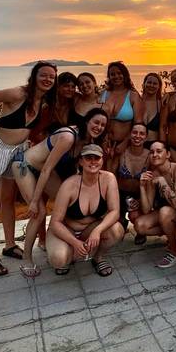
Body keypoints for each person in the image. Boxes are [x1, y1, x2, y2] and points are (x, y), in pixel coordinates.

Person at [0, 61, 57, 275]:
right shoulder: (18, 94)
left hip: (16, 154)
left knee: (8, 200)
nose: (47, 79)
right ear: (34, 76)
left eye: (51, 76)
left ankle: (9, 245)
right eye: (43, 75)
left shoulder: (43, 102)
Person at [11, 108, 109, 277]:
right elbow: (47, 169)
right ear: (87, 121)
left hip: (44, 171)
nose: (99, 127)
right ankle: (27, 258)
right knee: (39, 212)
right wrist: (34, 201)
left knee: (66, 199)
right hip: (26, 166)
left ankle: (59, 237)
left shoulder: (87, 142)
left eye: (103, 125)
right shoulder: (69, 136)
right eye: (96, 122)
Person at [47, 144, 122, 277]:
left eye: (96, 158)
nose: (93, 162)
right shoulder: (69, 185)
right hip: (67, 229)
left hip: (90, 229)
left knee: (116, 230)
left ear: (102, 160)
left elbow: (115, 211)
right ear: (81, 161)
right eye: (88, 158)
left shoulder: (108, 179)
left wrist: (97, 231)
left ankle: (98, 257)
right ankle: (70, 254)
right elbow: (55, 222)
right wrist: (74, 242)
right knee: (59, 259)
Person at [134, 140, 176, 268]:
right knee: (140, 225)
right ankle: (172, 235)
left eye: (159, 151)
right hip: (168, 214)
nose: (155, 155)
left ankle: (175, 250)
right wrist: (142, 186)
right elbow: (146, 210)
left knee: (165, 211)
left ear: (168, 154)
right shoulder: (153, 174)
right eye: (151, 152)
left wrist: (163, 182)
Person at [99, 61, 144, 165]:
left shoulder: (133, 96)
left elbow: (138, 124)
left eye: (119, 73)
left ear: (125, 75)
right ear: (109, 77)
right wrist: (103, 140)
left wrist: (125, 142)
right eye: (112, 74)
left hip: (125, 144)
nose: (116, 76)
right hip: (103, 142)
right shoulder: (103, 94)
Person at [112, 123, 149, 240]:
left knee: (135, 216)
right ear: (130, 134)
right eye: (134, 132)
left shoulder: (150, 156)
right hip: (120, 193)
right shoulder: (121, 153)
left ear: (146, 137)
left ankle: (141, 231)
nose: (137, 136)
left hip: (139, 194)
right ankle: (122, 222)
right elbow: (111, 174)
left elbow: (152, 182)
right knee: (116, 226)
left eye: (142, 133)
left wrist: (141, 200)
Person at [141, 72, 163, 144]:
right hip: (136, 145)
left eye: (155, 83)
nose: (151, 85)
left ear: (159, 86)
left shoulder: (161, 105)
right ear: (144, 84)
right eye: (149, 82)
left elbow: (163, 128)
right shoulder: (136, 102)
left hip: (154, 145)